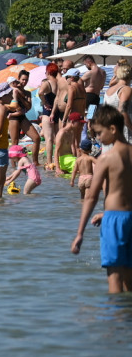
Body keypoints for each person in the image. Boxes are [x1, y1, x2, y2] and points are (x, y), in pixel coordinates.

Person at [72, 106, 132, 293]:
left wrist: (80, 233)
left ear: (112, 129)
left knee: (114, 276)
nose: (97, 138)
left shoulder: (107, 158)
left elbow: (91, 196)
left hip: (115, 220)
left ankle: (114, 319)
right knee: (129, 277)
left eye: (99, 133)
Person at [100, 61, 132, 142]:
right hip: (124, 131)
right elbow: (122, 111)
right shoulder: (126, 89)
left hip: (110, 129)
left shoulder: (109, 90)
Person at [38, 63, 61, 168]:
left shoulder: (47, 82)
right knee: (57, 138)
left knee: (48, 139)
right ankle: (57, 160)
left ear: (48, 71)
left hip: (48, 112)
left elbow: (40, 93)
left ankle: (49, 161)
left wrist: (44, 102)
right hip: (57, 111)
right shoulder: (59, 82)